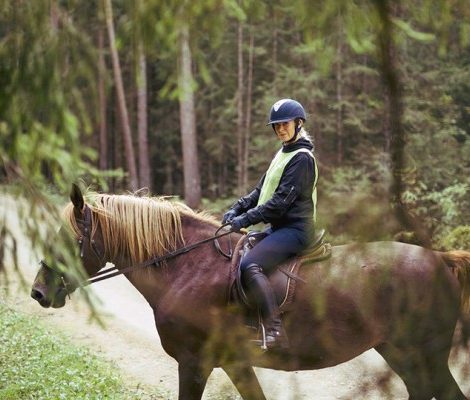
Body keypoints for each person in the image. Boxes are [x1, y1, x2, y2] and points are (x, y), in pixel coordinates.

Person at [222, 98, 318, 349]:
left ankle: (275, 331)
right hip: (279, 228)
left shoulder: (302, 158)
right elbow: (260, 190)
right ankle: (247, 322)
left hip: (296, 230)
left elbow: (278, 203)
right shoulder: (284, 152)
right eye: (276, 126)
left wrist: (245, 219)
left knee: (251, 264)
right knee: (239, 249)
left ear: (298, 123)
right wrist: (237, 208)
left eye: (285, 124)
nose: (280, 130)